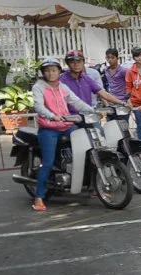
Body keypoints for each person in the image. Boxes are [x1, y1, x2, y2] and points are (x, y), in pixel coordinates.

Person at [32, 58, 94, 211]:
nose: (50, 73)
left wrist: (93, 111)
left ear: (59, 72)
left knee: (88, 150)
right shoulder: (38, 87)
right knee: (47, 163)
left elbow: (76, 102)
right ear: (43, 73)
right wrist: (51, 116)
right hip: (49, 129)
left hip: (67, 126)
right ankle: (39, 197)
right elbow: (38, 106)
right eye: (47, 71)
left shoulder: (63, 87)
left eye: (53, 70)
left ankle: (92, 186)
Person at [59, 50, 126, 113]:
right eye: (72, 62)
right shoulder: (61, 80)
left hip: (88, 115)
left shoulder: (86, 79)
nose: (76, 65)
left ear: (83, 63)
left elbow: (103, 93)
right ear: (68, 63)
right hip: (70, 117)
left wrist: (122, 103)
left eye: (79, 62)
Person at [104, 48, 128, 120]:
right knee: (110, 125)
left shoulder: (123, 71)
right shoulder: (106, 70)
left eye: (112, 57)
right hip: (110, 103)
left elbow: (129, 85)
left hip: (122, 103)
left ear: (117, 58)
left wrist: (128, 101)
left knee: (123, 124)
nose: (110, 60)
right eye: (108, 58)